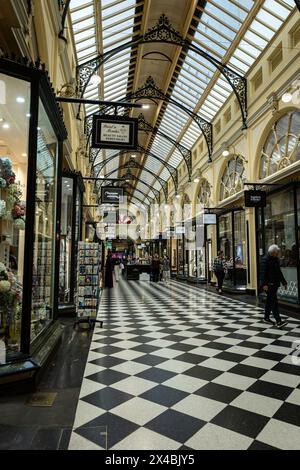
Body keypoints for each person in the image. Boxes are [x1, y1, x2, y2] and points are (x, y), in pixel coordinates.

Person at [260, 244, 288, 327]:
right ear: (273, 252)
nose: (278, 254)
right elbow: (262, 273)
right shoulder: (265, 260)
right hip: (268, 285)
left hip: (275, 284)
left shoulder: (275, 259)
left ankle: (266, 317)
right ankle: (279, 321)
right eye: (277, 252)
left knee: (269, 301)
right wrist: (264, 284)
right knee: (274, 302)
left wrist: (284, 282)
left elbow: (279, 272)